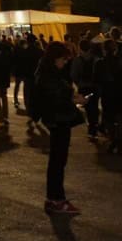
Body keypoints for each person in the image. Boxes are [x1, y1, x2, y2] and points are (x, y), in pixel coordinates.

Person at [30, 40, 83, 214]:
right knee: (58, 161)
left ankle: (54, 198)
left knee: (58, 161)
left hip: (55, 119)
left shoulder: (46, 71)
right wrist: (73, 98)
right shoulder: (49, 75)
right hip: (57, 120)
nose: (65, 62)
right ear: (55, 58)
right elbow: (57, 95)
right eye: (63, 59)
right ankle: (56, 199)